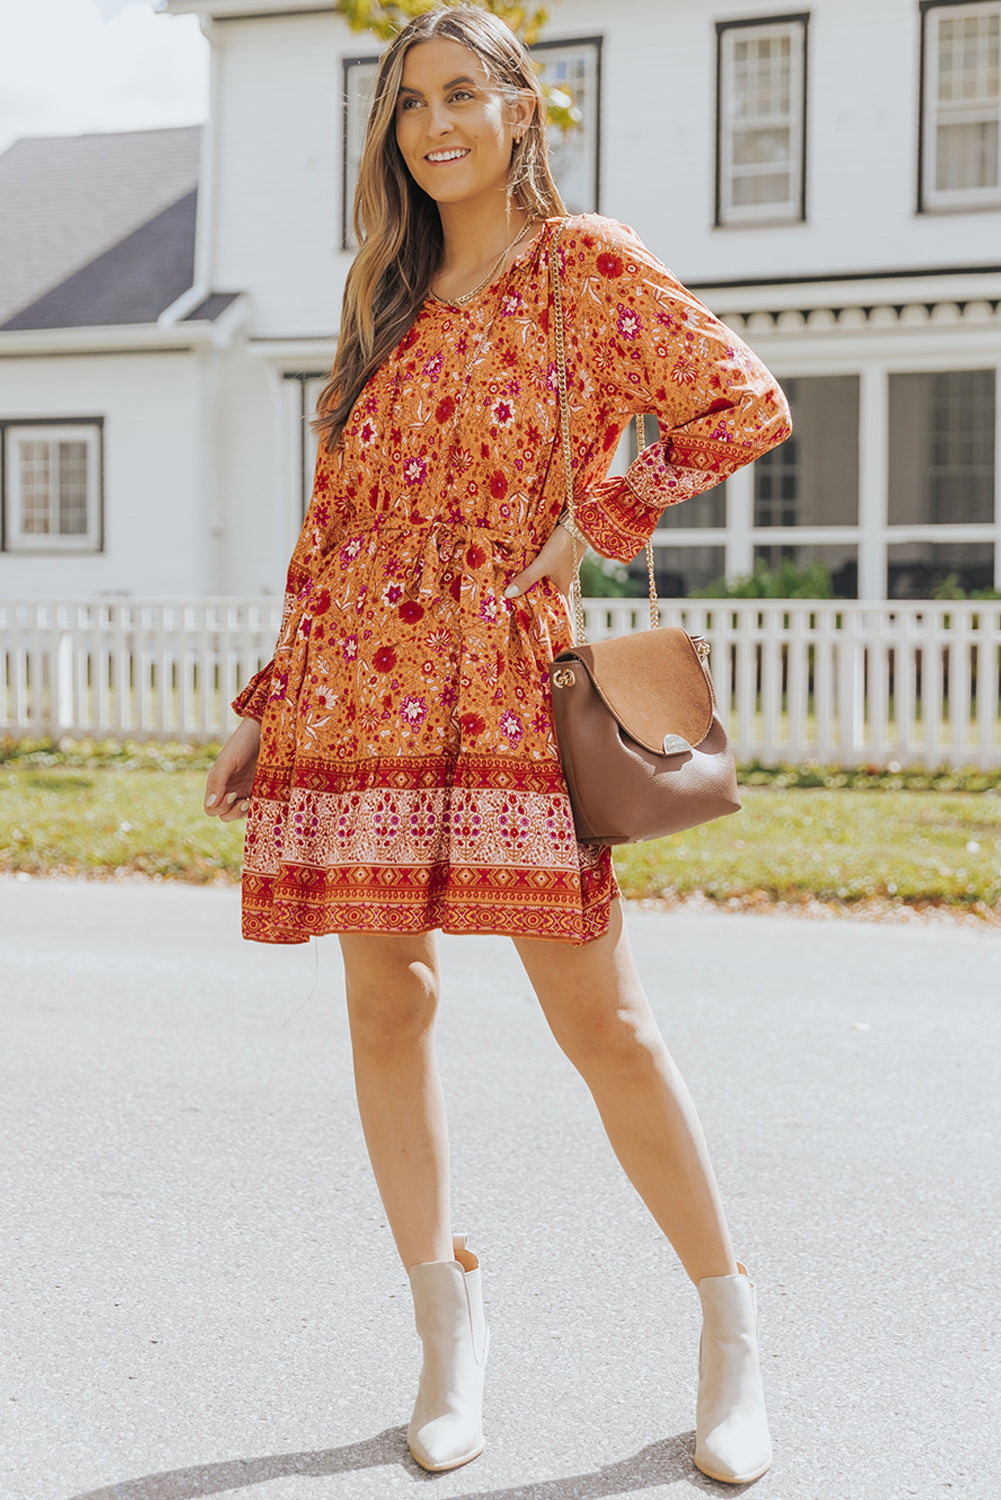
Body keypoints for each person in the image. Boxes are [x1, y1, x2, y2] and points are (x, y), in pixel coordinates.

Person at [204, 5, 791, 1484]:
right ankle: (443, 1334)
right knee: (386, 1004)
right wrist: (275, 704)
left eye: (462, 94)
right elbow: (329, 517)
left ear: (522, 110)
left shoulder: (582, 266)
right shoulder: (382, 287)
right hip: (352, 675)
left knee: (606, 1023)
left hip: (500, 676)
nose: (433, 125)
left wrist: (592, 519)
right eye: (408, 103)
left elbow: (740, 402)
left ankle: (729, 1338)